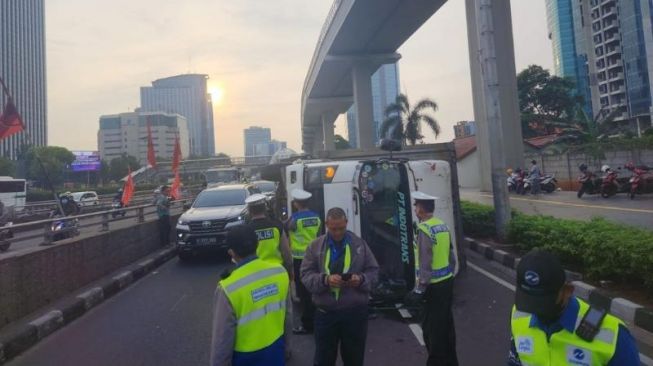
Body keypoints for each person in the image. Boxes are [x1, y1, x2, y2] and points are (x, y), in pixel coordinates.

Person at [508, 249, 640, 366]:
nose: (535, 309)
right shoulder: (519, 315)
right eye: (528, 300)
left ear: (567, 291)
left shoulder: (613, 334)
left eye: (543, 302)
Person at [301, 207, 379, 366]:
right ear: (326, 224)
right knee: (323, 360)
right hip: (325, 314)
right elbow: (305, 276)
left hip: (355, 314)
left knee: (354, 360)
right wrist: (325, 280)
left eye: (341, 228)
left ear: (347, 223)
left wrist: (361, 280)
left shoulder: (360, 244)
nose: (337, 233)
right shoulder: (314, 246)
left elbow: (374, 271)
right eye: (333, 228)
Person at [210, 224, 292, 366]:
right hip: (276, 350)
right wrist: (286, 348)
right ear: (258, 244)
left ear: (231, 252)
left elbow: (222, 340)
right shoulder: (280, 272)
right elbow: (288, 316)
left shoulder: (227, 288)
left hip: (245, 358)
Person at [404, 192, 458, 366]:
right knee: (446, 325)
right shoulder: (442, 226)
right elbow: (451, 256)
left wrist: (420, 289)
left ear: (420, 209)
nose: (415, 208)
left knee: (431, 330)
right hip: (447, 282)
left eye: (416, 206)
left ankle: (436, 362)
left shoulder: (424, 229)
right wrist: (448, 274)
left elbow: (425, 260)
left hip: (433, 287)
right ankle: (451, 361)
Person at [286, 188, 321, 335]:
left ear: (296, 204)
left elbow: (286, 231)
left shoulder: (294, 219)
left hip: (300, 259)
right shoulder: (317, 217)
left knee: (304, 292)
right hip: (315, 257)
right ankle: (319, 319)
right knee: (315, 288)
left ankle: (307, 324)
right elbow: (318, 235)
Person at [245, 193, 293, 274]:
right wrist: (290, 268)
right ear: (265, 209)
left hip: (257, 271)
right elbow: (286, 251)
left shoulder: (247, 230)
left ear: (249, 211)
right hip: (277, 270)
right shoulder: (277, 226)